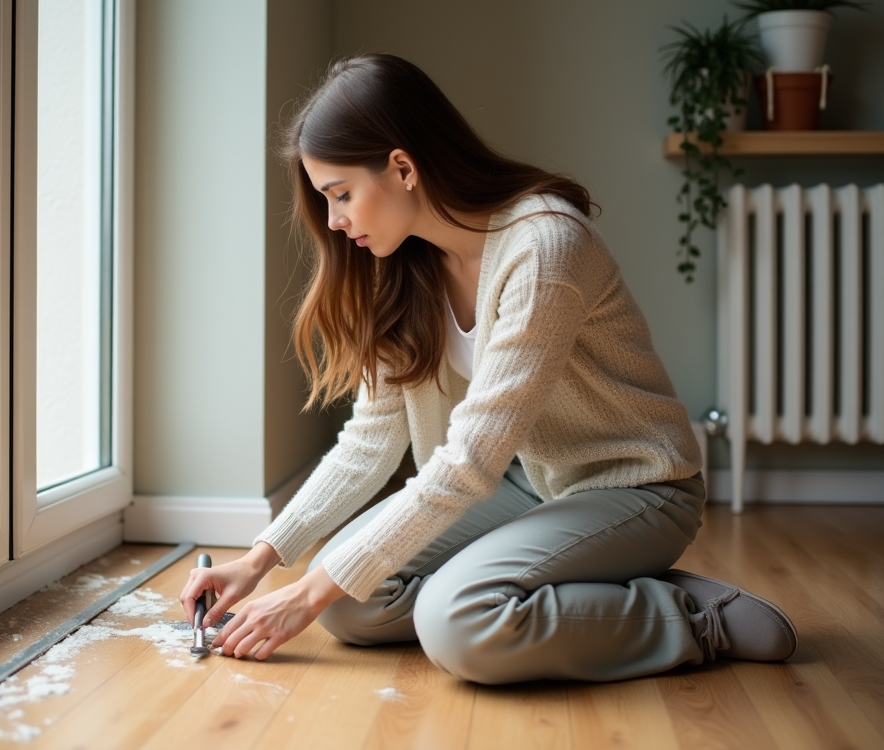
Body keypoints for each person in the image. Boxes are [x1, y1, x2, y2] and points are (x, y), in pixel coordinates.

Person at [179, 54, 796, 684]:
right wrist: (261, 560)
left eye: (341, 195)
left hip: (636, 485)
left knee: (457, 623)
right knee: (351, 602)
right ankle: (560, 580)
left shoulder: (545, 248)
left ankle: (692, 615)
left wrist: (306, 594)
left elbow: (470, 459)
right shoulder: (403, 266)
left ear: (402, 167)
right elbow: (370, 443)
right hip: (532, 482)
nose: (335, 222)